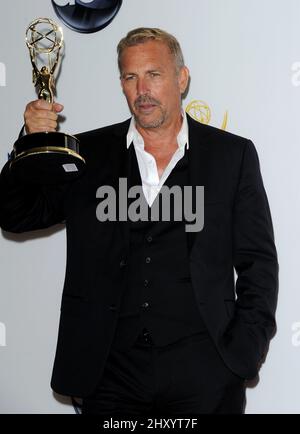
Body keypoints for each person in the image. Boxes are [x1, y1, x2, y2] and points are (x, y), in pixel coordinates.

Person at [0, 28, 278, 415]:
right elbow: (15, 214)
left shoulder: (231, 156)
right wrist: (29, 142)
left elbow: (258, 264)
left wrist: (244, 349)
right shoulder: (87, 154)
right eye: (131, 77)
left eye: (154, 75)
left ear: (181, 78)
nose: (142, 89)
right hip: (110, 373)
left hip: (205, 370)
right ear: (121, 84)